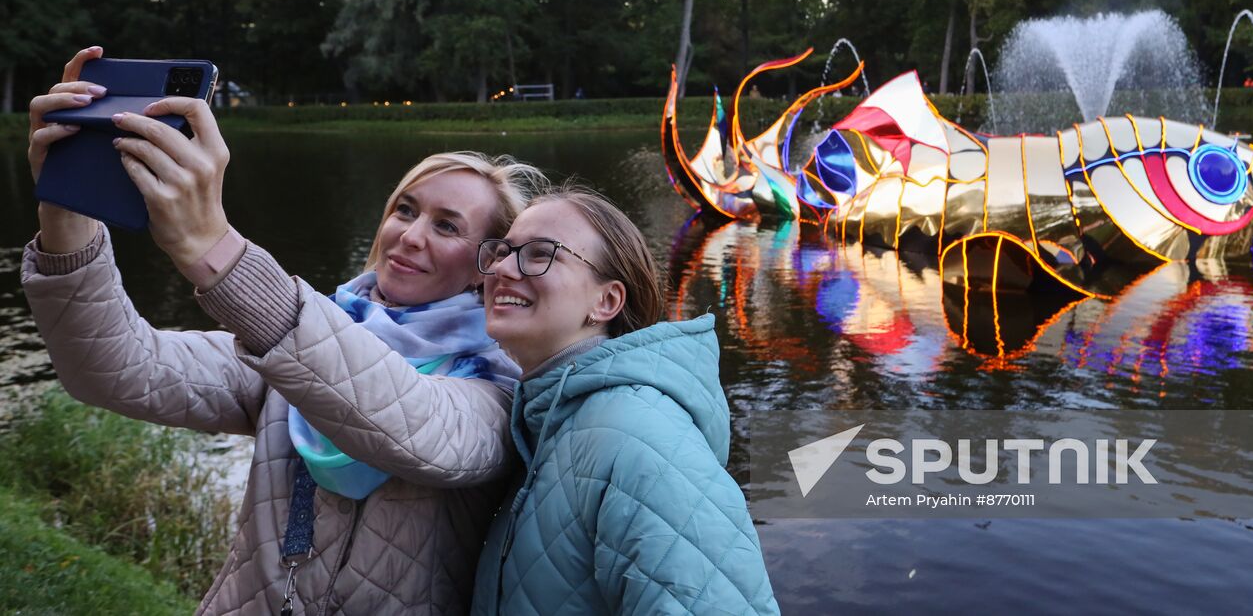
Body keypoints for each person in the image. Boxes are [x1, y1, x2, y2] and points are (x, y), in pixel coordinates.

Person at [21, 46, 544, 615]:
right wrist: (65, 213)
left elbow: (417, 428)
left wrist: (212, 246)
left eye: (446, 226)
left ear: (486, 265)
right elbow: (117, 369)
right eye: (405, 209)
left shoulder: (502, 382)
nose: (411, 236)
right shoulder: (302, 338)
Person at [470, 185, 780, 615]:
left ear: (607, 300)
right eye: (503, 251)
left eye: (540, 253)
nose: (503, 268)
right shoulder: (548, 417)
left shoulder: (639, 436)